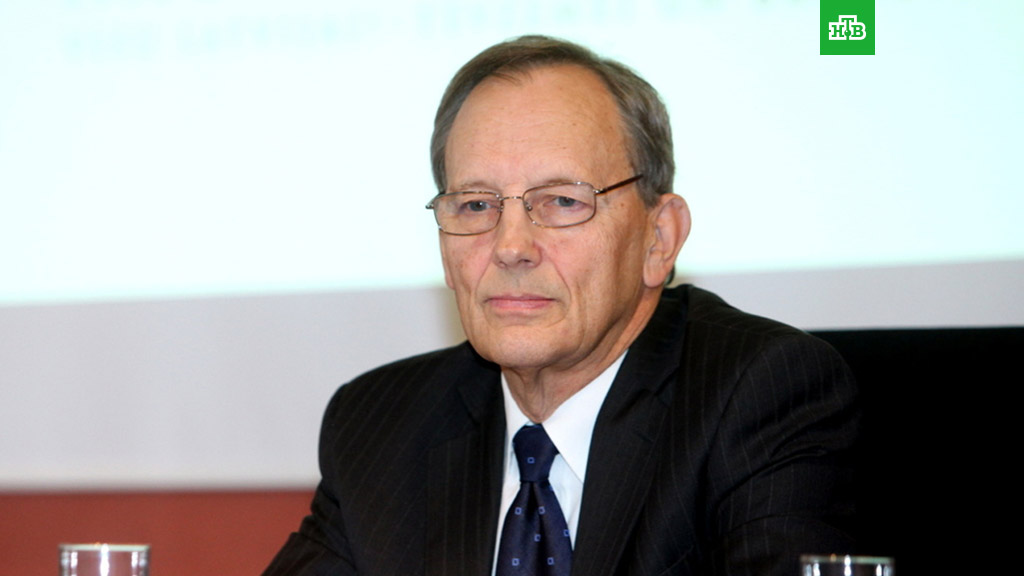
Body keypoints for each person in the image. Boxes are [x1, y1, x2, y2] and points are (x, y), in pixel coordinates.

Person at [263, 35, 858, 576]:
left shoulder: (758, 396)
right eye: (475, 205)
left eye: (562, 201)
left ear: (659, 239)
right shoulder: (379, 423)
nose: (511, 247)